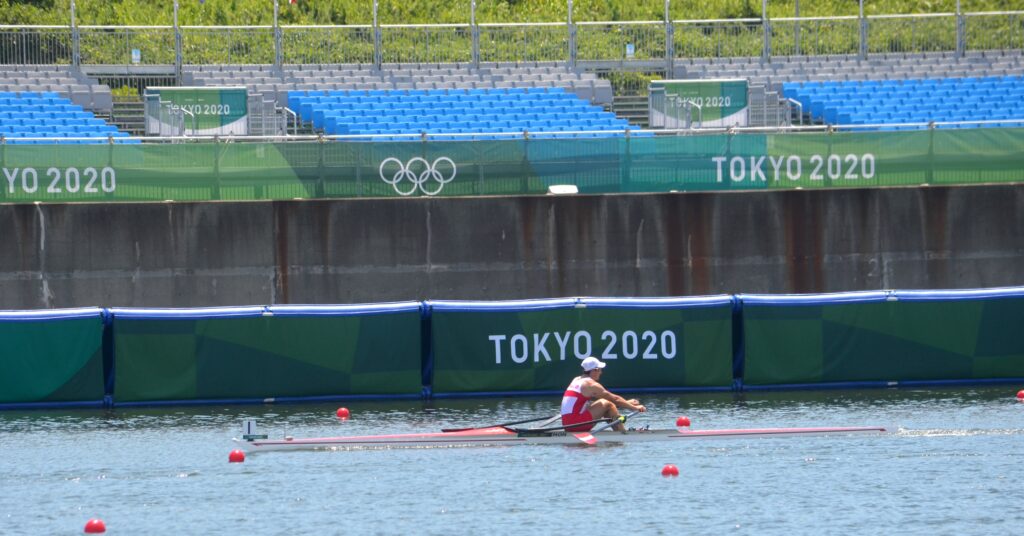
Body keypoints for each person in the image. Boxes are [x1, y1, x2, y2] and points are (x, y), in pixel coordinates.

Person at [561, 356, 646, 432]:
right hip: (575, 424)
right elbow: (614, 399)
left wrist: (627, 403)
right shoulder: (590, 384)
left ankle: (618, 432)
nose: (601, 372)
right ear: (595, 370)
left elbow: (592, 405)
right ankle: (623, 433)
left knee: (606, 405)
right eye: (600, 370)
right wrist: (634, 407)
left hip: (567, 424)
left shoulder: (576, 379)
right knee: (606, 403)